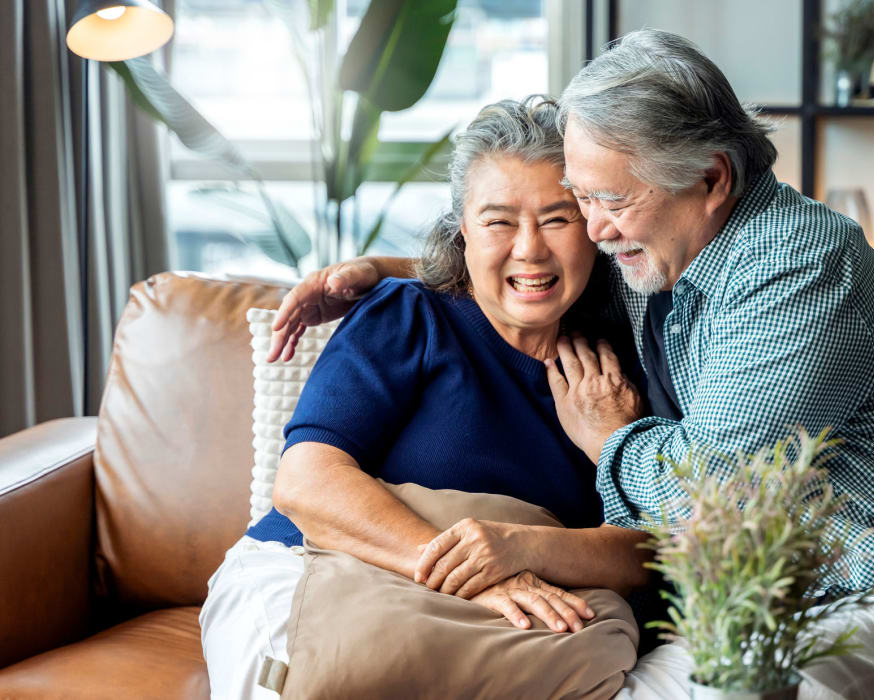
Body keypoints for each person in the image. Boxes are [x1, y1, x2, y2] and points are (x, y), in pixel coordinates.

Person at [279, 30, 874, 699]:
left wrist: (613, 440)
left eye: (606, 202)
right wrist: (387, 271)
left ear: (710, 180)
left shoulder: (799, 263)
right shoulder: (656, 248)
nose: (595, 229)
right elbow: (527, 260)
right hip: (745, 604)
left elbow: (712, 497)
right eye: (582, 199)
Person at [199, 96, 656, 699]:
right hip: (322, 565)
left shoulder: (620, 369)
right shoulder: (410, 313)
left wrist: (605, 453)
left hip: (517, 610)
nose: (530, 249)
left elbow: (655, 552)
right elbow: (305, 482)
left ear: (595, 226)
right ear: (461, 230)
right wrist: (468, 572)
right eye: (498, 221)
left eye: (557, 218)